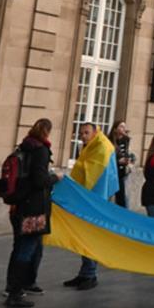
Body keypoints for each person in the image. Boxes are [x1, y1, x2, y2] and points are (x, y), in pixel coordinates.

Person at [4, 118, 58, 308]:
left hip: (18, 206)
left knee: (20, 246)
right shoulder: (41, 150)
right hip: (33, 209)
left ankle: (13, 287)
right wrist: (55, 177)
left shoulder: (24, 147)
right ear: (47, 132)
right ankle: (16, 293)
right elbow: (40, 180)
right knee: (26, 249)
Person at [63, 121, 116, 290]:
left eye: (86, 133)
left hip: (95, 200)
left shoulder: (102, 147)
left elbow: (93, 172)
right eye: (81, 133)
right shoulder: (92, 146)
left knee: (90, 236)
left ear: (95, 132)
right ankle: (85, 272)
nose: (82, 136)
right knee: (84, 236)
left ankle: (90, 275)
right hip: (88, 198)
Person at [107, 120, 133, 208]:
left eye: (124, 127)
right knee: (108, 195)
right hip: (112, 172)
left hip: (121, 173)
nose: (123, 129)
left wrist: (128, 160)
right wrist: (118, 161)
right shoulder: (110, 140)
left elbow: (126, 153)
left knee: (122, 198)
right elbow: (108, 157)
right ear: (115, 129)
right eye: (121, 126)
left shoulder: (125, 140)